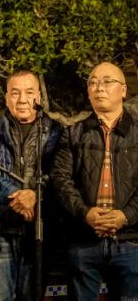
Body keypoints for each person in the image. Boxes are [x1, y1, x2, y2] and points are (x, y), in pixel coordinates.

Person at [50, 62, 138, 300]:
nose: (100, 88)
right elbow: (60, 180)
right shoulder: (73, 133)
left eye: (107, 81)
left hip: (131, 242)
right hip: (83, 240)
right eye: (93, 82)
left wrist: (126, 215)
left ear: (123, 90)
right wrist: (85, 213)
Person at [0, 70, 62, 301]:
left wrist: (35, 196)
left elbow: (59, 174)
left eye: (29, 92)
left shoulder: (57, 130)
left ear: (39, 97)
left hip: (38, 233)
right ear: (6, 98)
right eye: (15, 93)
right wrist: (15, 195)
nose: (22, 99)